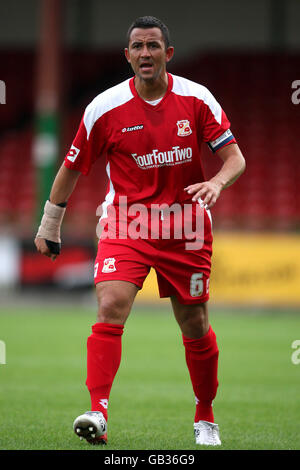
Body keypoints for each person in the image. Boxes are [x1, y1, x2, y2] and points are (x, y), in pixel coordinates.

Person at [34, 16, 245, 447]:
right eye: (137, 47)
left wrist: (216, 182)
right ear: (127, 55)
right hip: (126, 221)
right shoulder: (104, 108)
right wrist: (50, 222)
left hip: (186, 225)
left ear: (167, 54)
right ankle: (99, 411)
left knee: (194, 322)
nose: (145, 53)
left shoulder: (197, 98)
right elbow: (72, 167)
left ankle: (205, 415)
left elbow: (235, 159)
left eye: (153, 46)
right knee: (110, 304)